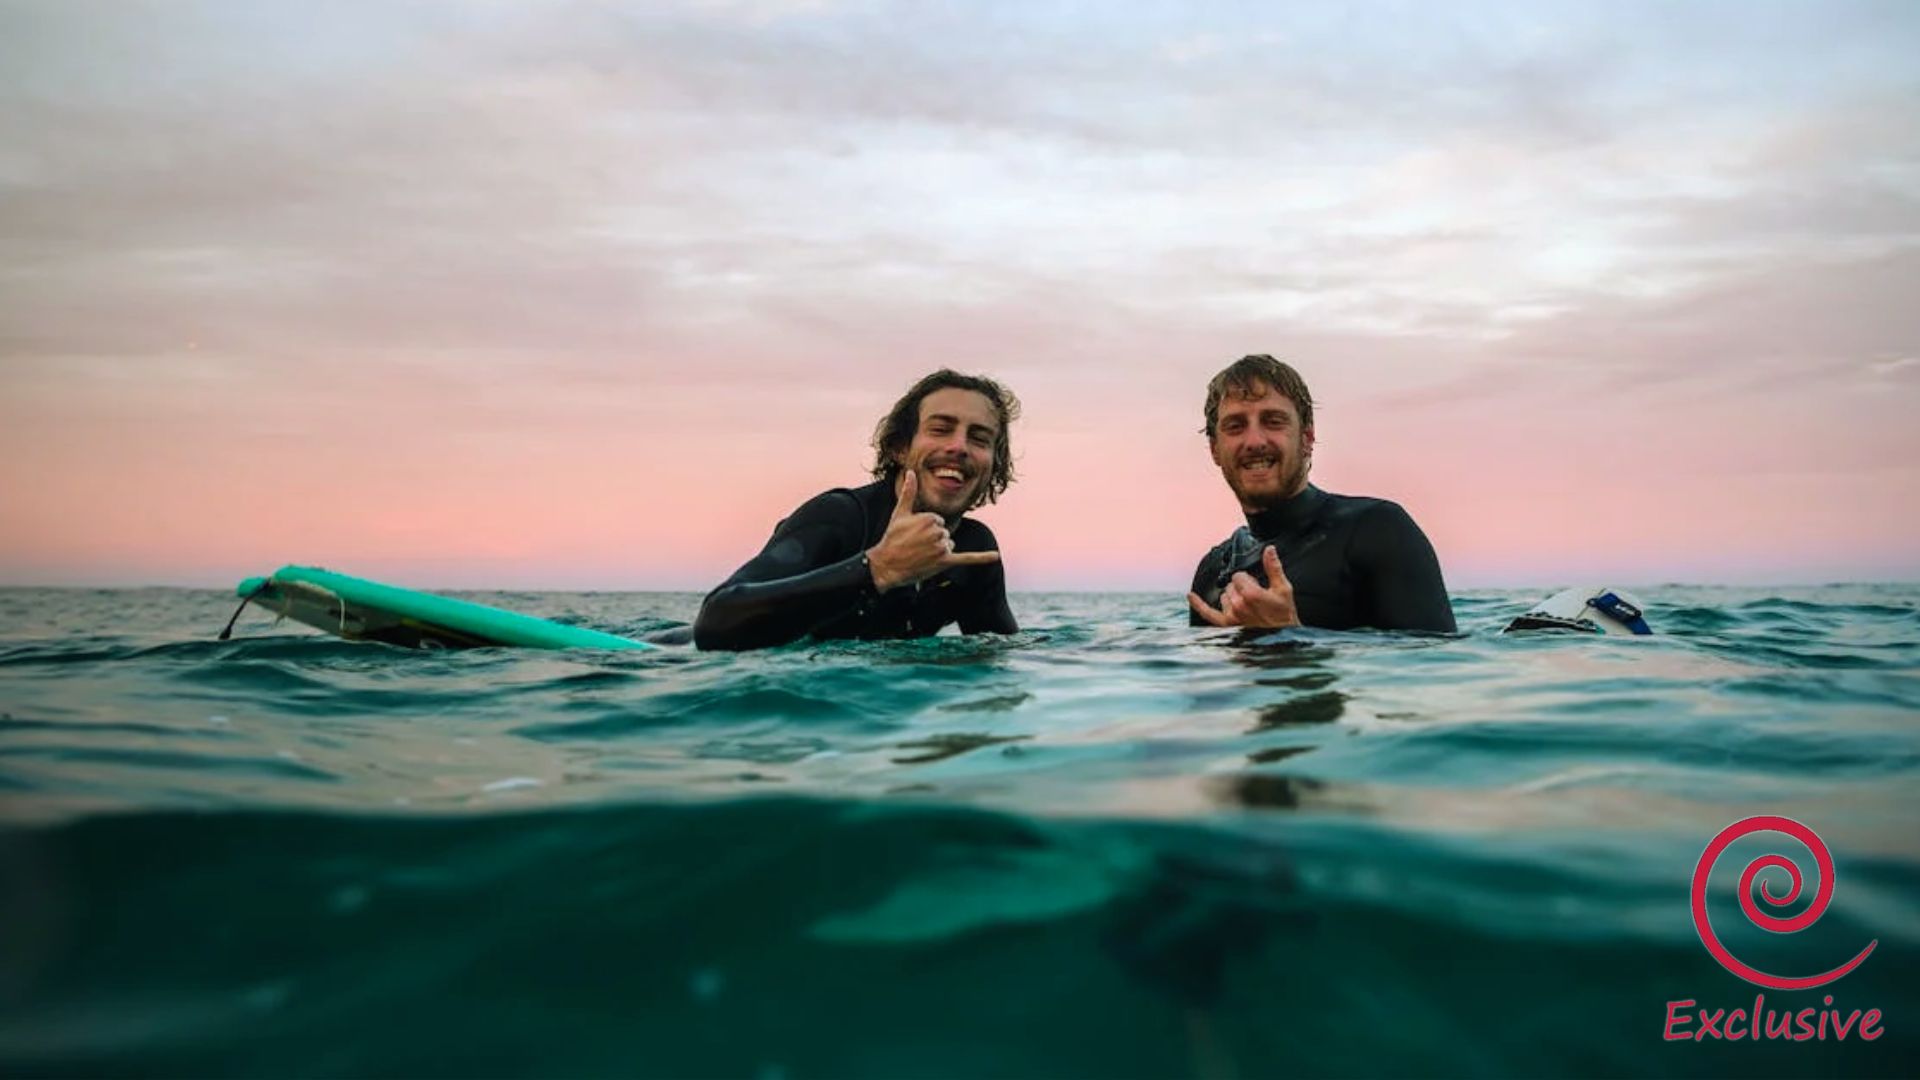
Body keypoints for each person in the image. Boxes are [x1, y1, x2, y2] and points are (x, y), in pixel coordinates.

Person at [693, 370, 1021, 651]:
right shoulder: (839, 517)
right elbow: (715, 623)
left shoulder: (974, 551)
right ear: (899, 448)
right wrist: (878, 570)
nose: (959, 447)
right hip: (674, 656)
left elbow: (1002, 650)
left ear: (993, 465)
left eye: (979, 439)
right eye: (940, 429)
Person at [1186, 355, 1456, 633]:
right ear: (1215, 449)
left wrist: (1286, 633)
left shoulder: (1378, 529)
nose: (1255, 441)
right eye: (1235, 426)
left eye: (1273, 421)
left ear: (1307, 438)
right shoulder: (1212, 572)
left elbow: (1435, 665)